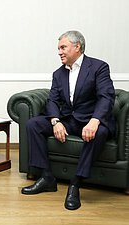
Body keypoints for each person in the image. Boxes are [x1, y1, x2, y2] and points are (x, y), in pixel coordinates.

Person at [21, 30, 115, 210]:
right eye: (58, 48)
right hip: (68, 120)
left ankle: (75, 184)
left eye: (63, 47)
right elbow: (52, 100)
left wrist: (95, 121)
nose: (59, 52)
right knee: (33, 124)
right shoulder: (58, 74)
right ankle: (47, 177)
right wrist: (56, 121)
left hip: (90, 120)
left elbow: (106, 97)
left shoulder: (98, 67)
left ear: (77, 46)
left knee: (100, 132)